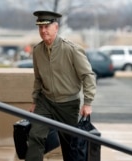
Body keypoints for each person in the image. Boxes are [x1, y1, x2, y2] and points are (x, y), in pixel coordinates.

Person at [25, 10, 96, 161]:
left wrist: (88, 103)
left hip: (68, 104)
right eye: (40, 27)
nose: (43, 31)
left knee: (70, 144)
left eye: (47, 27)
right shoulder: (37, 51)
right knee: (35, 136)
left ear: (56, 27)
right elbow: (38, 78)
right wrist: (35, 101)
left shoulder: (71, 49)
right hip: (46, 102)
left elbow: (88, 76)